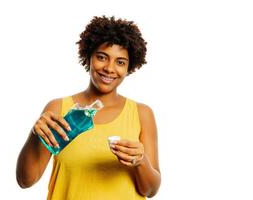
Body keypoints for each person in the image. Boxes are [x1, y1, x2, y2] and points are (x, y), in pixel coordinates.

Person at [16, 16, 161, 200]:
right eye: (102, 57)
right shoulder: (58, 108)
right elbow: (25, 180)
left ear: (129, 67)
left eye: (120, 62)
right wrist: (35, 136)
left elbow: (151, 190)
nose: (109, 68)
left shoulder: (142, 114)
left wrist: (140, 162)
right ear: (89, 57)